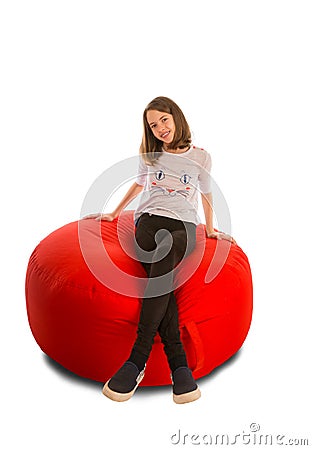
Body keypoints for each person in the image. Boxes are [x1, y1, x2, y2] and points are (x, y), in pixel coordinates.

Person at [84, 96, 235, 403]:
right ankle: (176, 366)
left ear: (176, 117)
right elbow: (139, 185)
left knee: (166, 259)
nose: (160, 128)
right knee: (163, 258)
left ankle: (137, 362)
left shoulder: (202, 157)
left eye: (163, 120)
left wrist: (210, 228)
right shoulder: (151, 155)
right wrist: (114, 213)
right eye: (153, 125)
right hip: (149, 222)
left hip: (184, 227)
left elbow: (205, 193)